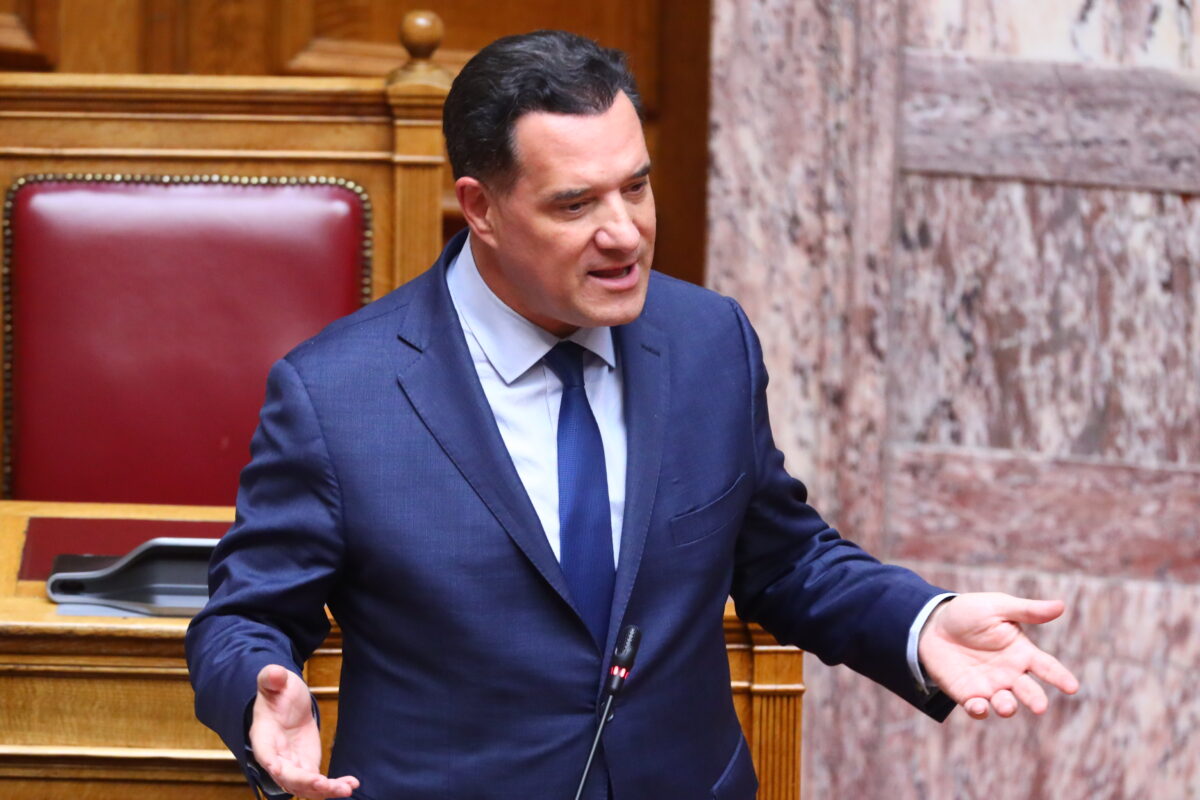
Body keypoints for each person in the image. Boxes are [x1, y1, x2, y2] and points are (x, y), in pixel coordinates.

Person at [185, 29, 1079, 800]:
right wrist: (259, 691)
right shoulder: (339, 395)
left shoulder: (708, 341)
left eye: (637, 187)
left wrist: (920, 623)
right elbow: (244, 616)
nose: (625, 233)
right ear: (481, 209)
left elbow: (783, 558)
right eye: (576, 203)